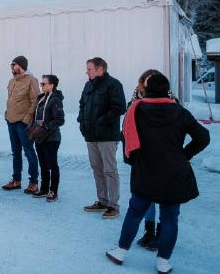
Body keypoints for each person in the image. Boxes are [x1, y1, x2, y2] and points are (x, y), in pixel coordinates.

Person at [106, 73, 210, 274]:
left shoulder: (136, 111)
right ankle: (163, 262)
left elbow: (126, 137)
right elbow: (203, 137)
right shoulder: (179, 111)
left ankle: (120, 252)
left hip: (145, 172)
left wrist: (133, 161)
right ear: (166, 89)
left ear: (147, 90)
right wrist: (184, 155)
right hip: (174, 173)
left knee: (135, 212)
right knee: (170, 218)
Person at [127, 69, 177, 250]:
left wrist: (183, 153)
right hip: (143, 156)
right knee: (144, 196)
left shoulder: (171, 99)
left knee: (164, 197)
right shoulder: (135, 98)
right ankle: (149, 231)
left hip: (164, 156)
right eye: (146, 81)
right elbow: (128, 123)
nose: (148, 85)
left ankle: (162, 233)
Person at [78, 57, 126, 219]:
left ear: (100, 69)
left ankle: (113, 205)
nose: (87, 72)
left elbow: (119, 107)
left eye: (90, 69)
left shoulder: (114, 85)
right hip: (91, 136)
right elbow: (82, 104)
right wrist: (82, 122)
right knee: (97, 168)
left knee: (109, 170)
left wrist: (102, 121)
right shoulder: (88, 85)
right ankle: (103, 200)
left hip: (107, 136)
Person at [2, 56, 41, 193]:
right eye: (12, 64)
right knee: (15, 152)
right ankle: (16, 180)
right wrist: (7, 115)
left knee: (29, 152)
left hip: (23, 123)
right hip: (11, 121)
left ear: (21, 66)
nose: (12, 67)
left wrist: (27, 119)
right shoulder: (12, 81)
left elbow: (34, 101)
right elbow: (11, 100)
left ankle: (33, 182)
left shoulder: (31, 80)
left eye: (14, 64)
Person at [31, 75, 64, 201]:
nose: (41, 86)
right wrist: (34, 128)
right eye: (41, 84)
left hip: (51, 138)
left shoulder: (55, 99)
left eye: (43, 84)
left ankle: (53, 191)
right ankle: (44, 189)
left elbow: (60, 120)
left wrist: (46, 127)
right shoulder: (41, 98)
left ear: (52, 85)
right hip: (39, 137)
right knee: (43, 164)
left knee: (52, 164)